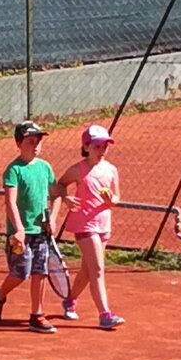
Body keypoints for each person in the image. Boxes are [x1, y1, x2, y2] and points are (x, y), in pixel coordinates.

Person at [0, 120, 60, 334]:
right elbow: (10, 202)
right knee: (21, 273)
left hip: (41, 231)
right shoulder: (13, 170)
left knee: (40, 271)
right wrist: (18, 229)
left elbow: (56, 195)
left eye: (38, 141)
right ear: (19, 143)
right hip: (19, 234)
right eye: (30, 141)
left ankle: (37, 315)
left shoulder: (45, 167)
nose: (35, 145)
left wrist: (53, 218)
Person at [52, 124, 126, 330]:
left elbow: (116, 198)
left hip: (104, 224)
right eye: (97, 146)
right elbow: (59, 185)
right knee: (98, 269)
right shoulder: (77, 170)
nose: (102, 150)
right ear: (86, 147)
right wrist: (66, 198)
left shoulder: (111, 170)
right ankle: (105, 314)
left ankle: (69, 300)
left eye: (105, 146)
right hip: (84, 224)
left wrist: (111, 200)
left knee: (88, 269)